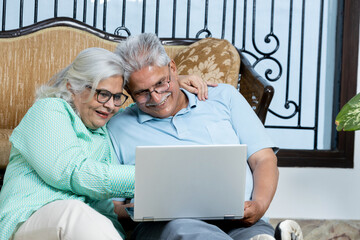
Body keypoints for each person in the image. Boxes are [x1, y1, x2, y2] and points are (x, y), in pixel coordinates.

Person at [0, 47, 208, 240]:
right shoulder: (49, 110)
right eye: (102, 94)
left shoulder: (103, 132)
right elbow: (75, 173)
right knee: (74, 212)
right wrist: (158, 174)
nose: (110, 106)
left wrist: (174, 81)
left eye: (117, 97)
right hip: (27, 220)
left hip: (86, 229)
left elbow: (106, 210)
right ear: (73, 87)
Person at [107, 33, 279, 240]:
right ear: (128, 90)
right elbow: (112, 206)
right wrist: (143, 209)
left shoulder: (224, 97)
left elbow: (263, 158)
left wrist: (259, 205)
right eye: (142, 92)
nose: (156, 98)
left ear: (173, 68)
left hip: (240, 220)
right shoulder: (117, 128)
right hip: (167, 227)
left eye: (161, 83)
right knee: (182, 230)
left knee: (258, 234)